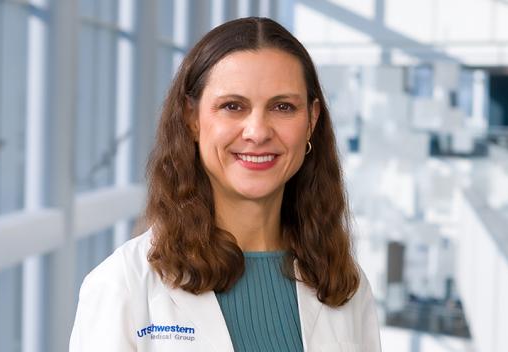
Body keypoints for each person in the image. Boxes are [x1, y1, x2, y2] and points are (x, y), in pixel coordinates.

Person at [69, 17, 381, 352]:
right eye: (232, 106)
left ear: (311, 121)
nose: (258, 132)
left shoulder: (346, 286)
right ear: (192, 118)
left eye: (282, 107)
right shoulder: (123, 285)